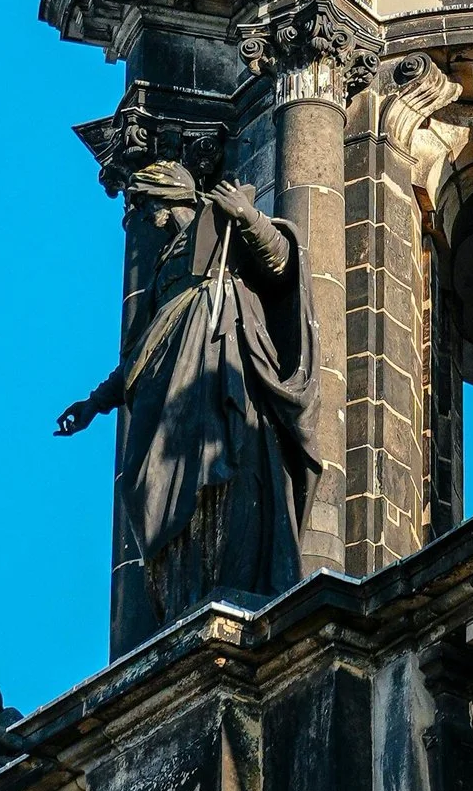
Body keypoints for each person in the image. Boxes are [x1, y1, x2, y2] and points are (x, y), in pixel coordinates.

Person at [56, 163, 320, 613]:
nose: (139, 215)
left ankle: (231, 581)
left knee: (228, 472)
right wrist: (95, 403)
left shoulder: (220, 224)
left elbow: (280, 265)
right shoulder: (164, 269)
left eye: (141, 203)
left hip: (220, 368)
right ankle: (187, 593)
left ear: (164, 196)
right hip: (167, 391)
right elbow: (142, 351)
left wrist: (248, 218)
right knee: (155, 486)